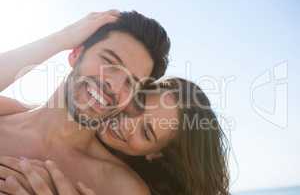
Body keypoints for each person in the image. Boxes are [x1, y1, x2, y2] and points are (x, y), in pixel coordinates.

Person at [0, 10, 171, 195]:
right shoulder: (4, 116)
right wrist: (62, 38)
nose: (114, 86)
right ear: (75, 54)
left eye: (131, 83)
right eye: (109, 61)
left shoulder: (121, 187)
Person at [0, 77, 230, 195]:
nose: (127, 123)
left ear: (155, 154)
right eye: (136, 105)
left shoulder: (128, 189)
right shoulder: (21, 112)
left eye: (146, 132)